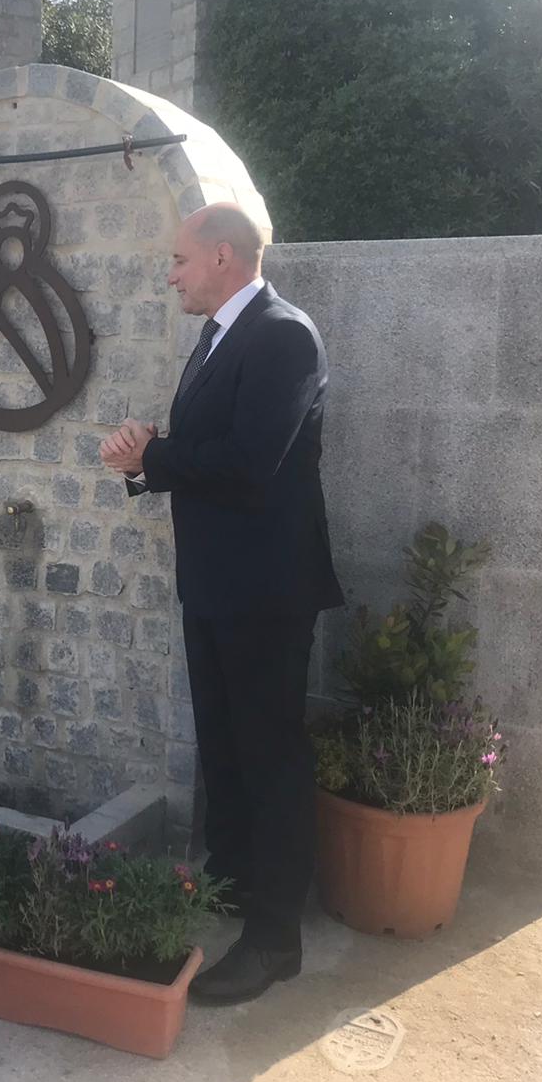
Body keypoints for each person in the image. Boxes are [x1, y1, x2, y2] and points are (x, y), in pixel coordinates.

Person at [100, 203, 344, 1005]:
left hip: (267, 593)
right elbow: (202, 454)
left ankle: (276, 941)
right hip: (212, 585)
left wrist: (156, 454)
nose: (169, 274)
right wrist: (146, 461)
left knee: (269, 759)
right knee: (226, 749)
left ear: (225, 257)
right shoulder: (215, 338)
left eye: (178, 260)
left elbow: (248, 463)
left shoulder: (283, 334)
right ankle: (235, 893)